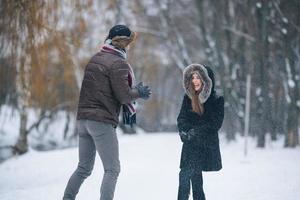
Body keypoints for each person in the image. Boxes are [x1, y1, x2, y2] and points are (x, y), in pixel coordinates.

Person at [63, 25, 151, 200]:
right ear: (123, 43)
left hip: (83, 120)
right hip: (101, 122)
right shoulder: (118, 63)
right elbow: (124, 96)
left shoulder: (95, 59)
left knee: (83, 168)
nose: (129, 46)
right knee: (112, 169)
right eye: (129, 42)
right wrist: (138, 93)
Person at [177, 63, 224, 200]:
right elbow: (181, 118)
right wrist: (184, 131)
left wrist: (195, 132)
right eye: (193, 77)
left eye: (198, 77)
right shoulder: (188, 98)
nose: (195, 81)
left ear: (206, 80)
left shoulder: (216, 100)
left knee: (190, 178)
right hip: (190, 145)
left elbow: (215, 124)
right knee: (188, 178)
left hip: (205, 145)